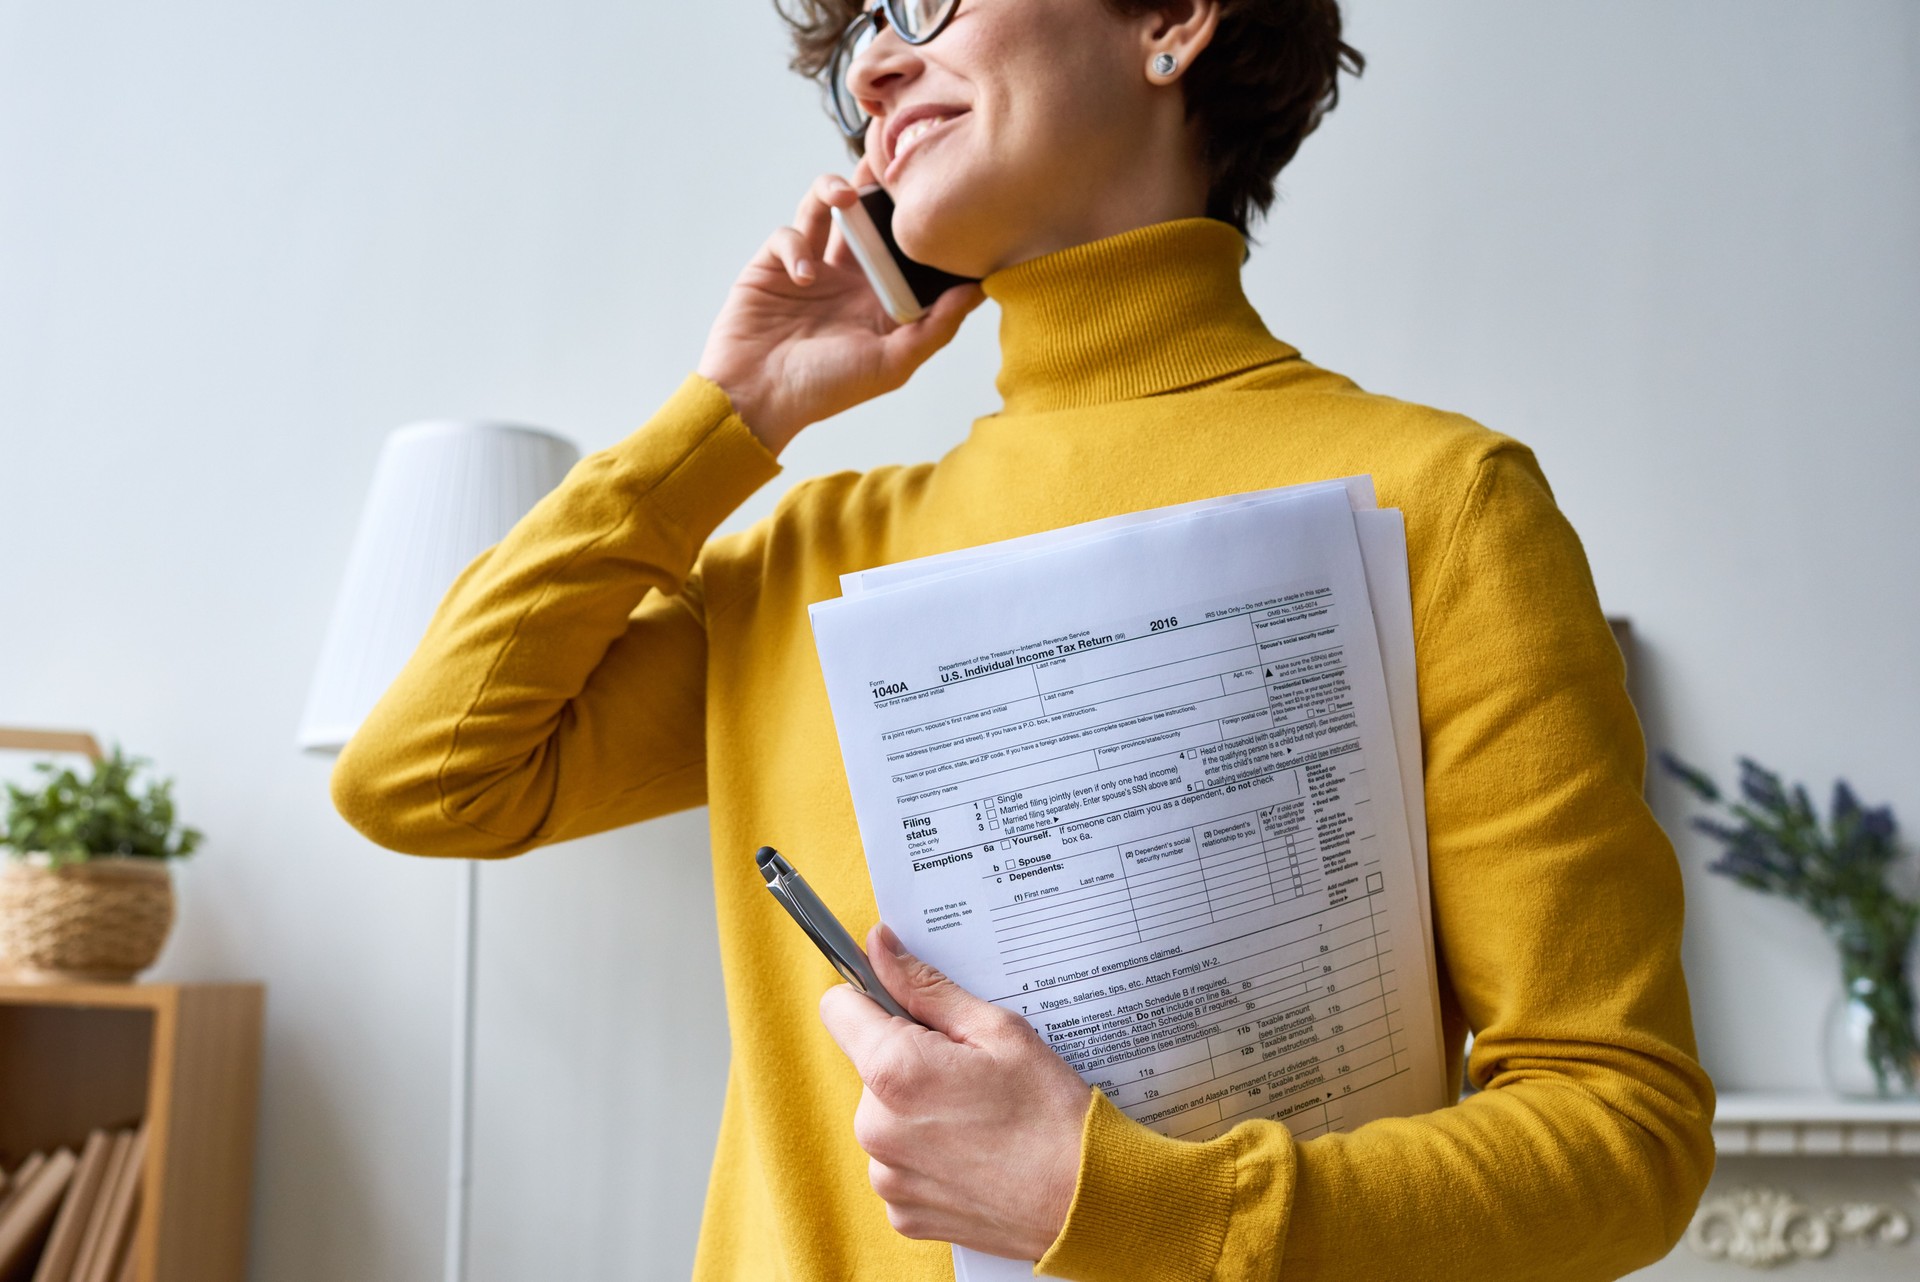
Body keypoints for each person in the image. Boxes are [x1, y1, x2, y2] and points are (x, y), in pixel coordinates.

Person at [329, 0, 1716, 1277]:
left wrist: (1123, 1202)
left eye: (927, 0)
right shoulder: (803, 557)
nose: (872, 66)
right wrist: (727, 416)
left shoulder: (1446, 504)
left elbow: (1622, 1129)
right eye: (862, 34)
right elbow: (419, 773)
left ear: (1170, 19)